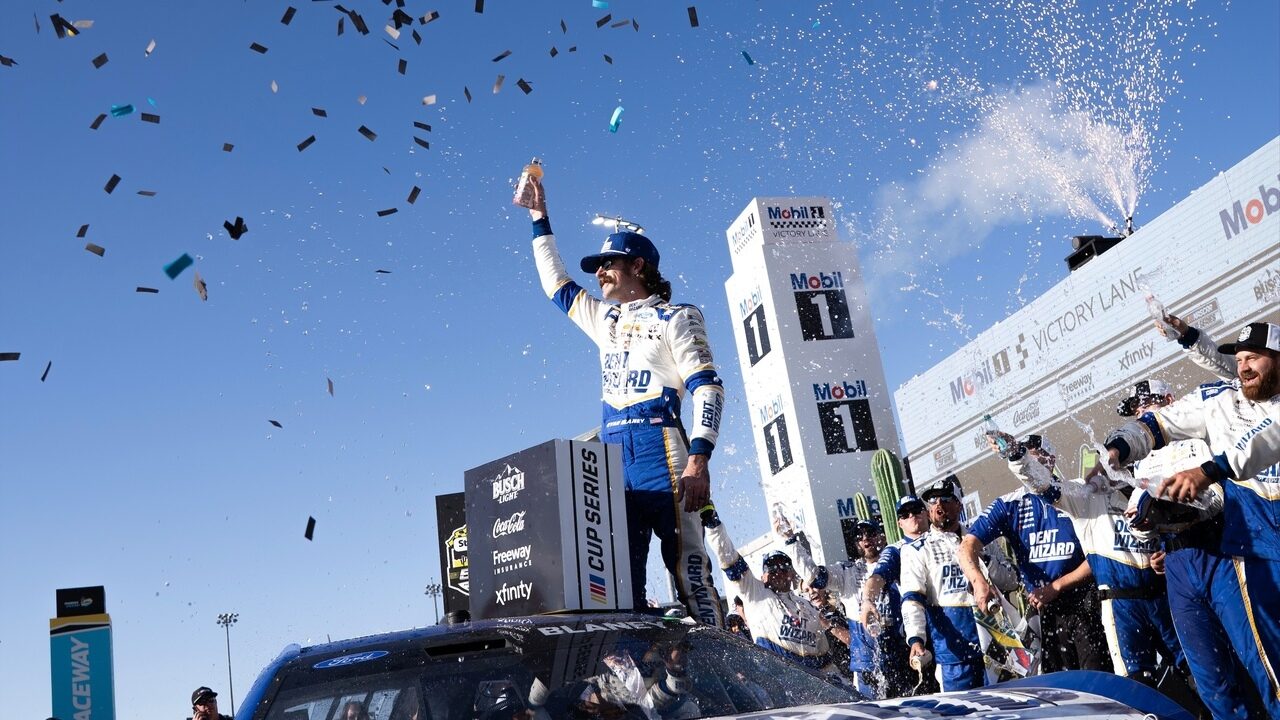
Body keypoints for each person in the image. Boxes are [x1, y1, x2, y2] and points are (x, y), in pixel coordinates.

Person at [523, 176, 723, 626]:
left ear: (637, 265)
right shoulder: (604, 318)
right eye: (597, 266)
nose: (598, 273)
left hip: (662, 450)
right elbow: (555, 283)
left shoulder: (677, 316)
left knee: (688, 568)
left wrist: (699, 460)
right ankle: (638, 668)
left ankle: (723, 656)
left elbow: (708, 387)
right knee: (618, 583)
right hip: (613, 459)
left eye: (607, 263)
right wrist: (539, 218)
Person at [1100, 321, 1280, 719]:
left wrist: (1208, 473)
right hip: (1228, 557)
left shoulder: (1238, 427)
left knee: (1264, 667)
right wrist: (1119, 449)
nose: (1244, 367)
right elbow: (1159, 426)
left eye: (1253, 357)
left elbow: (1264, 440)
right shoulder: (1220, 403)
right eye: (1240, 359)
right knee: (1224, 677)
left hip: (1227, 553)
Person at [988, 431, 1186, 685]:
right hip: (1121, 605)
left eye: (1119, 458)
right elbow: (1042, 485)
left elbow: (1173, 533)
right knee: (1135, 685)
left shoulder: (1145, 490)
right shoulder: (1084, 496)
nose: (1111, 465)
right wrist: (1017, 455)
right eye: (1106, 460)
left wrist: (1165, 553)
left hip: (1162, 597)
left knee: (1192, 670)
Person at [957, 475, 1109, 673]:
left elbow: (1102, 553)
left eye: (1040, 458)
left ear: (1051, 460)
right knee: (1058, 686)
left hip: (1086, 603)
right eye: (1027, 460)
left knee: (1098, 680)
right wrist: (979, 582)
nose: (1034, 463)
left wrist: (1056, 586)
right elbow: (966, 547)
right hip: (1044, 612)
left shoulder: (1078, 492)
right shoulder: (1009, 504)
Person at [899, 477, 1019, 691]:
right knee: (961, 707)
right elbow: (912, 599)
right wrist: (915, 638)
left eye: (945, 499)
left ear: (959, 505)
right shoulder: (916, 549)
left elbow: (1012, 580)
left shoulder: (982, 539)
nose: (938, 504)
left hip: (998, 645)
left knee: (1009, 704)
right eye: (932, 500)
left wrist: (982, 559)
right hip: (954, 656)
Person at [699, 505, 842, 673]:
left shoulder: (807, 606)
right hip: (776, 678)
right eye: (771, 568)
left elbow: (825, 658)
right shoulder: (755, 594)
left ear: (791, 574)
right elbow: (729, 557)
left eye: (783, 567)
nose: (778, 572)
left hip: (812, 681)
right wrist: (712, 523)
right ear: (763, 576)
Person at [780, 519, 910, 698]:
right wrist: (790, 541)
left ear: (881, 537)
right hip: (865, 666)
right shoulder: (846, 571)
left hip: (900, 658)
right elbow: (813, 576)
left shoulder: (899, 563)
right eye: (859, 536)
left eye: (870, 533)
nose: (865, 538)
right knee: (872, 712)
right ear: (855, 543)